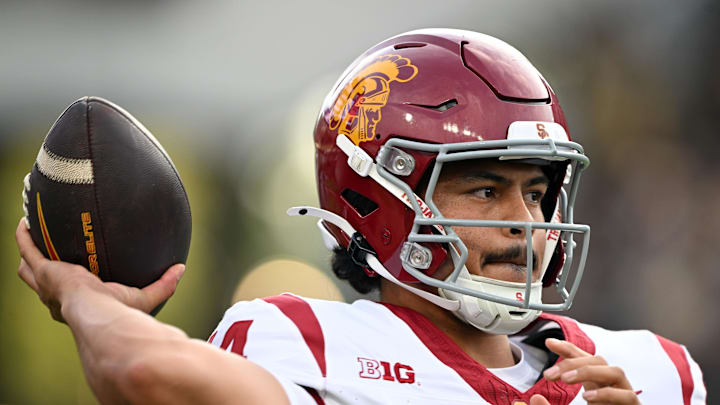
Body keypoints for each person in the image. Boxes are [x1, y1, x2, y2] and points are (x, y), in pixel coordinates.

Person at [15, 29, 706, 405]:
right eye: (486, 190)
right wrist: (82, 297)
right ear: (376, 203)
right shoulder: (309, 344)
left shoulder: (654, 370)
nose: (523, 220)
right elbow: (139, 373)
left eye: (537, 190)